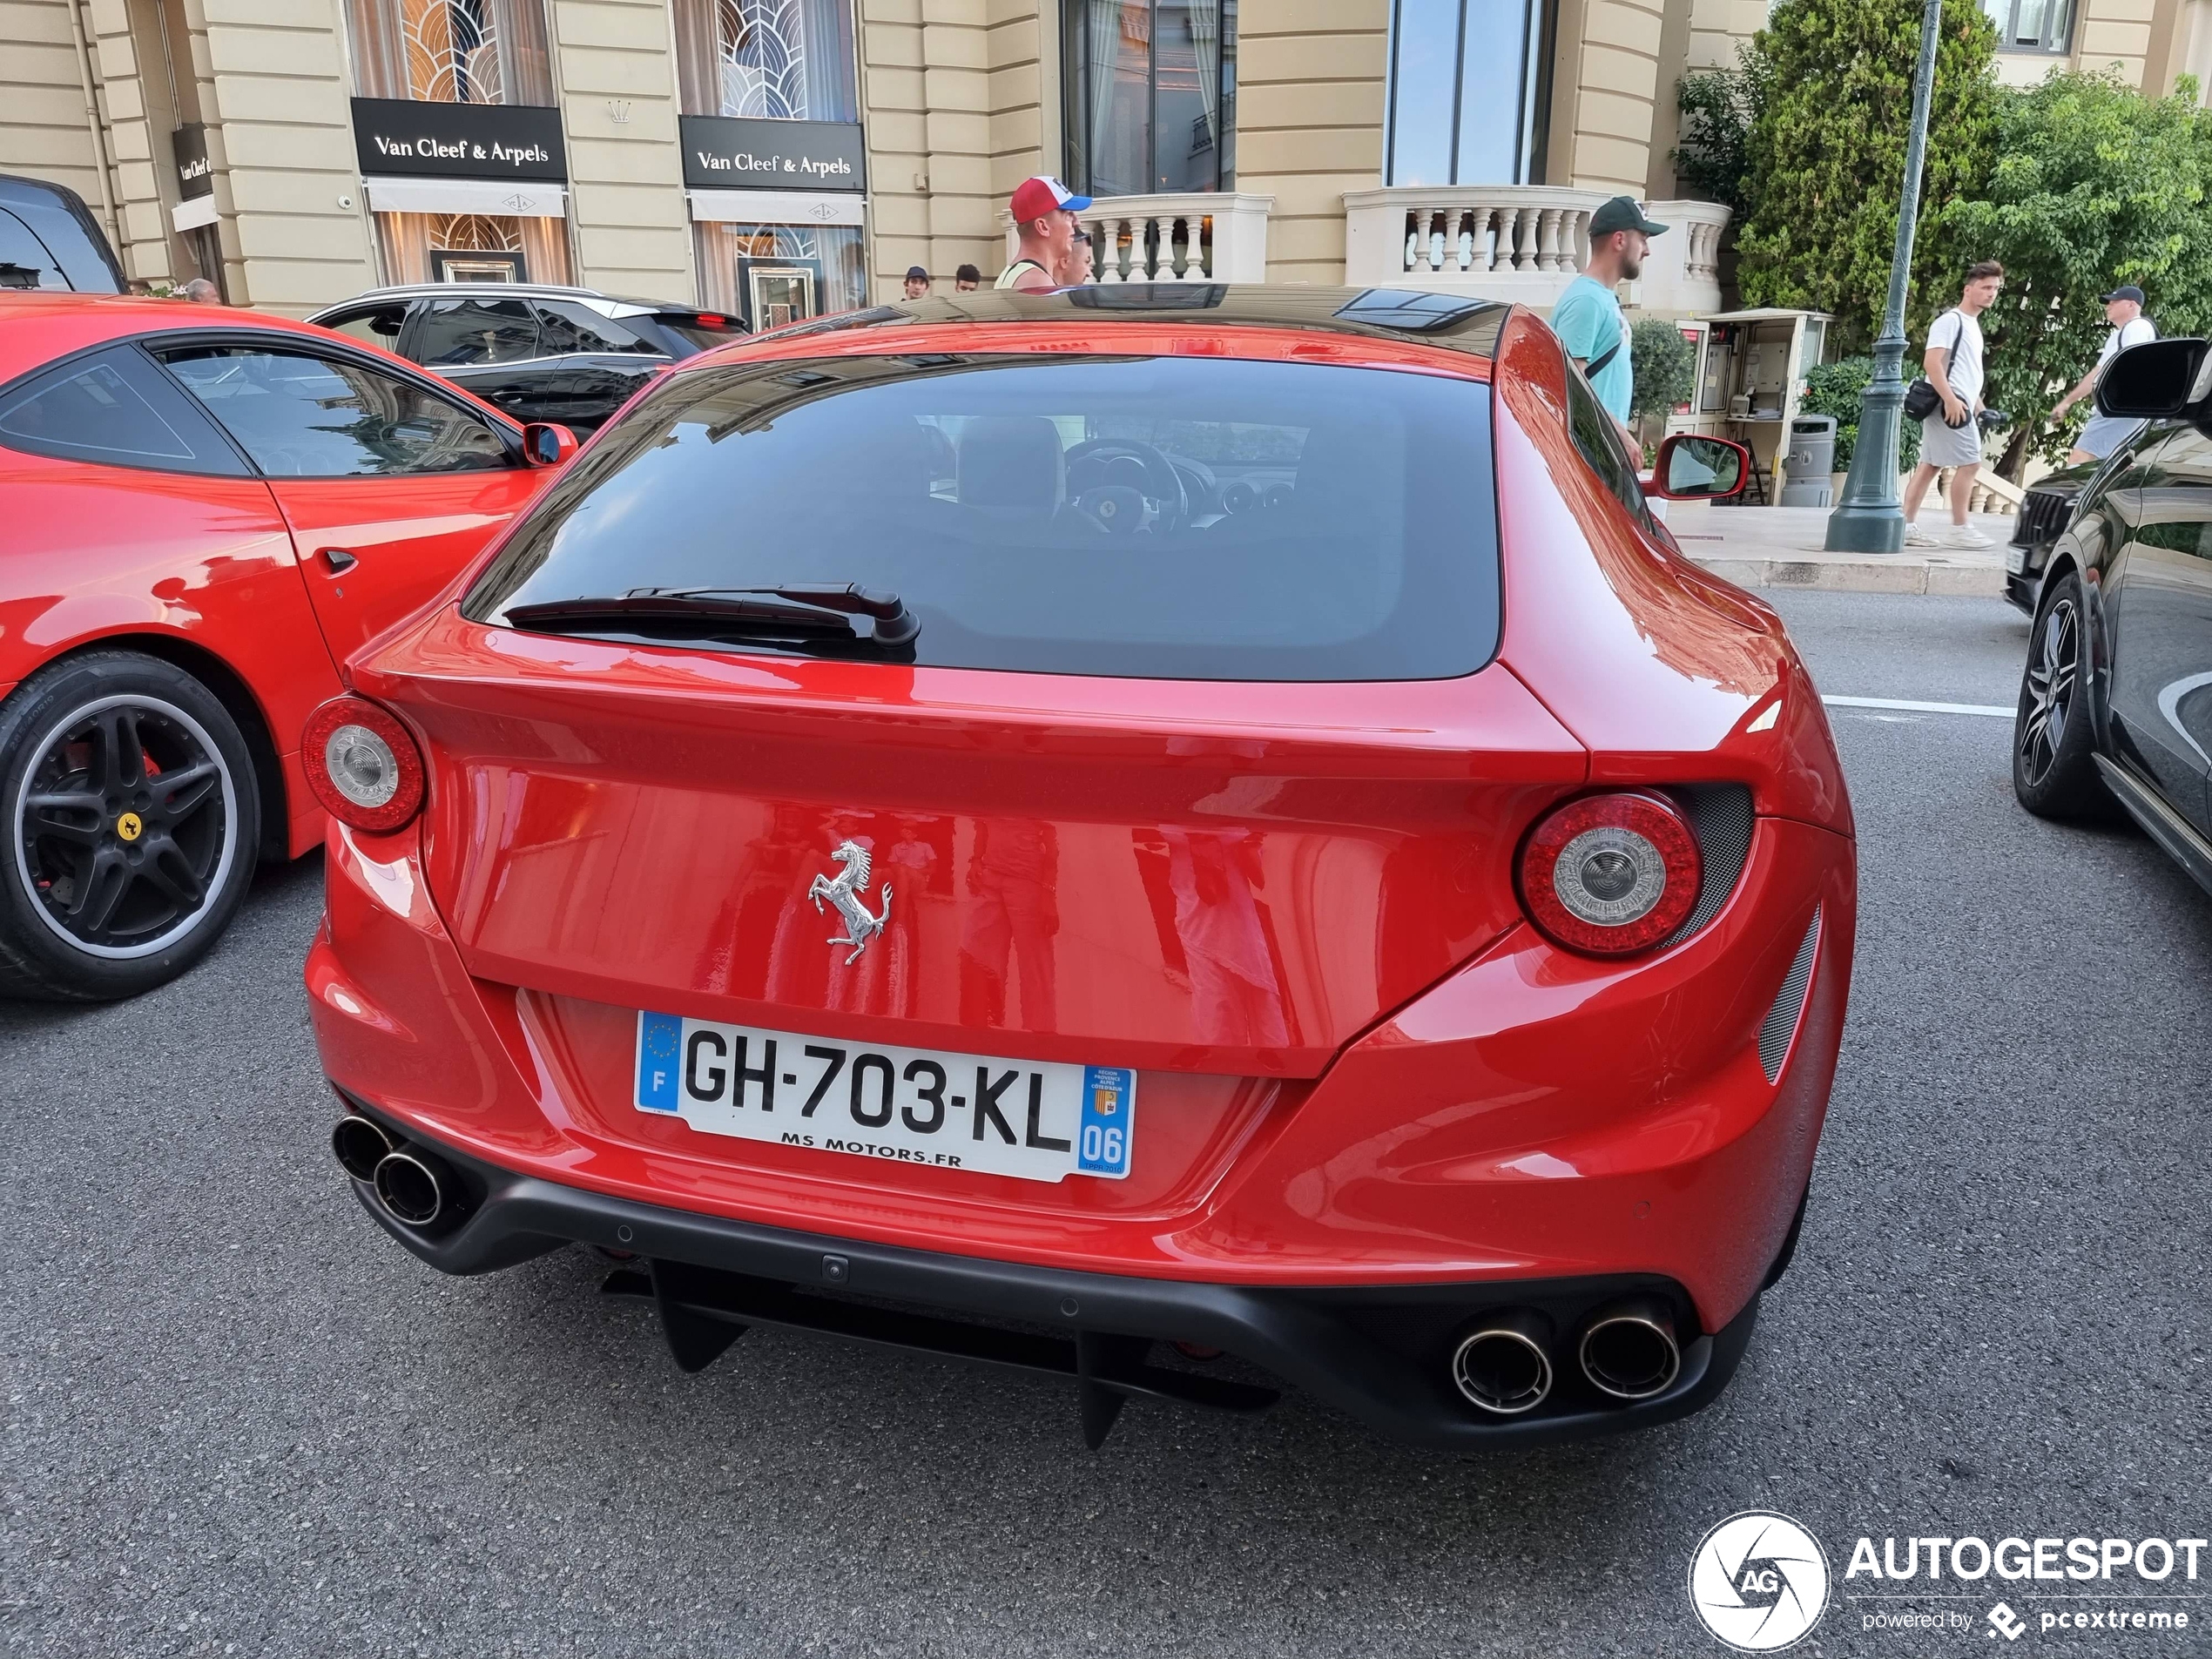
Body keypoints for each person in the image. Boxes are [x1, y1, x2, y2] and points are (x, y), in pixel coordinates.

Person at [1904, 260, 2005, 549]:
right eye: (1986, 287)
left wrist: (1981, 409)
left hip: (1958, 403)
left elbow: (1966, 374)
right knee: (1971, 463)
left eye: (1995, 288)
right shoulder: (1950, 322)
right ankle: (1960, 528)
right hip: (1949, 406)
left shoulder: (1972, 325)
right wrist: (1950, 399)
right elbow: (1932, 362)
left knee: (1930, 466)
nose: (1991, 293)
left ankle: (1906, 526)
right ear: (1968, 289)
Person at [1549, 196, 1668, 436]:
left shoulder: (1602, 298)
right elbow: (1567, 389)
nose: (1647, 251)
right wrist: (1620, 435)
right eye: (1643, 240)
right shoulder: (1587, 301)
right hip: (1587, 454)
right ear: (1620, 240)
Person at [2051, 285, 2156, 464]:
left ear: (2131, 305)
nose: (2108, 306)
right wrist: (2067, 402)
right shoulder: (2118, 335)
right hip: (2122, 409)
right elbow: (2096, 373)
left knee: (2081, 459)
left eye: (2114, 302)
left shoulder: (2138, 327)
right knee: (2110, 466)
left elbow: (2133, 366)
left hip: (2121, 407)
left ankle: (2067, 493)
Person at [996, 175, 1089, 291]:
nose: (1077, 222)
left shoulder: (1017, 273)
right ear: (1043, 227)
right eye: (1068, 214)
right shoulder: (1035, 281)